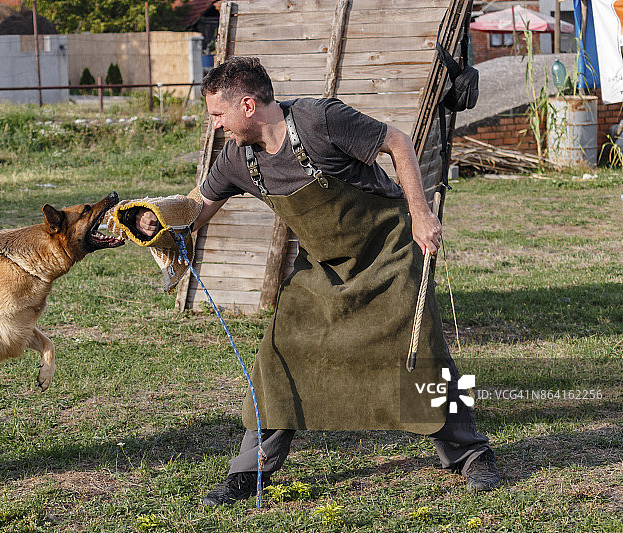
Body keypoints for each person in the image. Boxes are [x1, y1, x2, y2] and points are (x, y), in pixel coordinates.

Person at [137, 56, 500, 505]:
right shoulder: (236, 158)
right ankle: (250, 471)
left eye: (217, 114)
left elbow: (397, 142)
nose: (215, 125)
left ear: (247, 105)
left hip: (388, 251)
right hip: (321, 268)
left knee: (420, 354)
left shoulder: (319, 119)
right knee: (279, 357)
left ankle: (471, 454)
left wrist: (421, 214)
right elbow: (195, 210)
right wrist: (153, 221)